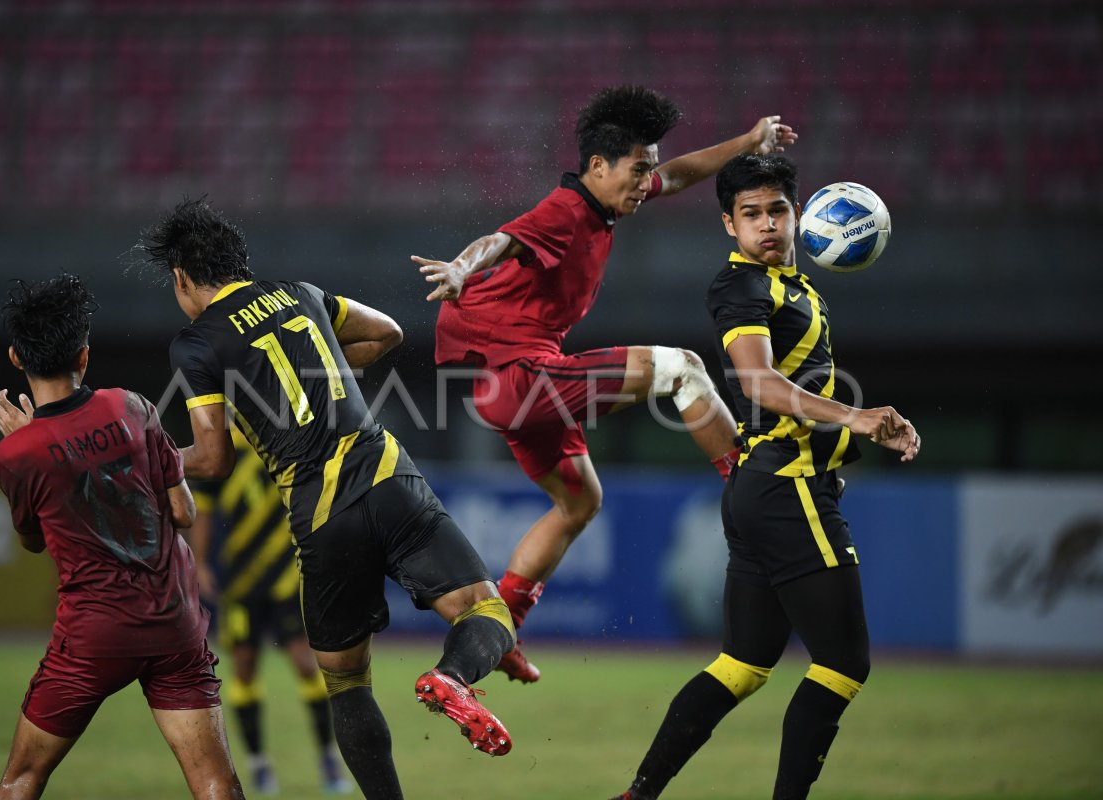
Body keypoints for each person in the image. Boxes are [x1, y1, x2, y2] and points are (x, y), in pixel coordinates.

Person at [412, 85, 798, 683]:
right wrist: (463, 267)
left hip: (506, 388)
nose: (647, 182)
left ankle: (498, 632)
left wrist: (748, 143)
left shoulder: (609, 203)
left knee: (579, 500)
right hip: (522, 378)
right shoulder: (567, 209)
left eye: (647, 170)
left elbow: (679, 173)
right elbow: (503, 238)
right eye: (637, 170)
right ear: (598, 166)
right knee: (682, 370)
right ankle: (751, 488)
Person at [141, 197, 517, 800]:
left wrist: (146, 456)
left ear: (184, 278)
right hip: (388, 476)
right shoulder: (303, 293)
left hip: (320, 514)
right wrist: (325, 376)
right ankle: (452, 677)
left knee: (346, 684)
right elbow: (390, 332)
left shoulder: (196, 343)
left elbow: (212, 459)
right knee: (488, 612)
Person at [609, 154, 921, 800]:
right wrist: (857, 418)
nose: (767, 225)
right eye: (750, 214)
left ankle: (636, 795)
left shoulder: (797, 288)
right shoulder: (742, 288)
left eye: (777, 210)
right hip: (787, 486)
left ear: (799, 216)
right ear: (729, 225)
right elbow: (758, 383)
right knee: (843, 663)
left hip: (767, 486)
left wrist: (851, 439)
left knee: (743, 663)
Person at [0, 274, 245, 800]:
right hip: (174, 622)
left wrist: (34, 440)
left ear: (16, 357)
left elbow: (34, 540)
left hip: (94, 637)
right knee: (214, 779)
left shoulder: (15, 455)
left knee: (23, 777)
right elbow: (182, 510)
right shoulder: (131, 407)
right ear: (84, 355)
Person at [187, 429, 352, 796]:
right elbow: (205, 511)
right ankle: (259, 763)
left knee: (307, 665)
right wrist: (199, 563)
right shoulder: (221, 448)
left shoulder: (284, 439)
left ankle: (328, 756)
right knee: (244, 667)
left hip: (287, 577)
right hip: (241, 581)